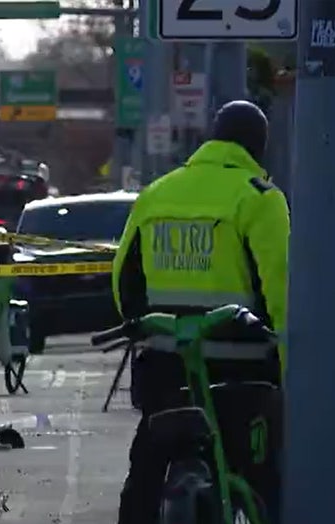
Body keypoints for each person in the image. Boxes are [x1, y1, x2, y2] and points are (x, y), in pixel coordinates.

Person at [111, 100, 289, 524]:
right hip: (240, 370)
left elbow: (124, 278)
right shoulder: (259, 197)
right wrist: (287, 363)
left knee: (147, 475)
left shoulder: (158, 192)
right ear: (258, 148)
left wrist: (142, 330)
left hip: (165, 364)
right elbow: (281, 289)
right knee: (258, 475)